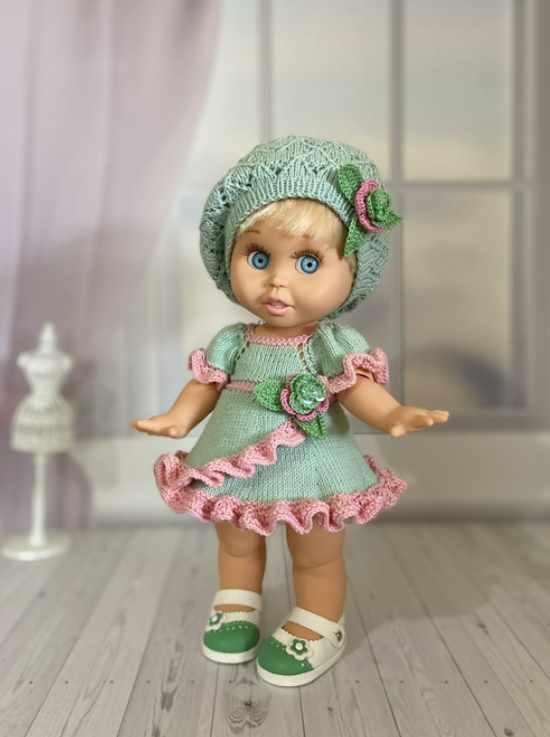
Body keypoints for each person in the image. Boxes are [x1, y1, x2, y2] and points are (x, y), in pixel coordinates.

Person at [130, 135, 450, 687]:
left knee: (317, 548)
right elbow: (205, 385)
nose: (278, 281)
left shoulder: (330, 343)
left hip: (313, 465)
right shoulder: (234, 340)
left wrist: (392, 414)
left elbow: (356, 388)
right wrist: (178, 419)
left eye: (307, 262)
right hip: (234, 457)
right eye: (258, 258)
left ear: (353, 271)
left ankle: (319, 620)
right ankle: (237, 601)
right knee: (235, 537)